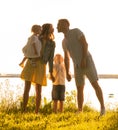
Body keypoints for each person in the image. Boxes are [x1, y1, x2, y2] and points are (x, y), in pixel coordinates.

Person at [57, 19, 105, 116]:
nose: (57, 26)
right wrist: (67, 72)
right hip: (77, 65)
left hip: (87, 60)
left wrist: (83, 59)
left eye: (59, 24)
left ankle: (103, 108)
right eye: (58, 24)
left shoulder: (76, 31)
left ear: (66, 24)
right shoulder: (64, 42)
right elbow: (67, 57)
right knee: (79, 88)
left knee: (94, 84)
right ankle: (80, 110)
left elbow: (85, 44)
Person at [20, 23, 55, 114]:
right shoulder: (36, 38)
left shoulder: (52, 43)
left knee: (38, 90)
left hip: (41, 66)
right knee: (26, 88)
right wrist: (25, 59)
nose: (53, 29)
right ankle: (23, 110)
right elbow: (29, 49)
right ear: (47, 29)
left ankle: (36, 112)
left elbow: (51, 59)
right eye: (52, 27)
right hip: (31, 63)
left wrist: (51, 73)